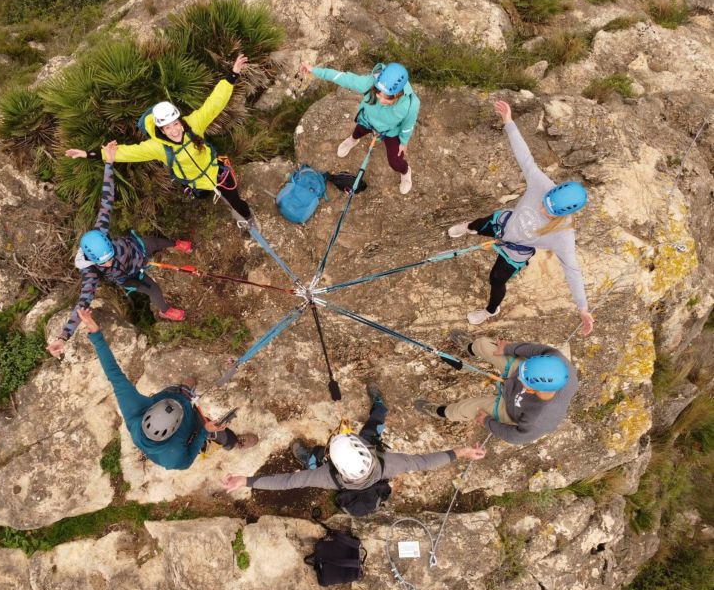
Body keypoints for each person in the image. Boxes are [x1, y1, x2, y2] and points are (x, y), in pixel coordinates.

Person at [448, 100, 594, 334]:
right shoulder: (541, 184)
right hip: (503, 223)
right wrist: (509, 122)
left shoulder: (563, 235)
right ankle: (468, 228)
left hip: (516, 250)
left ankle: (490, 311)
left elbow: (572, 271)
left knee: (496, 279)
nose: (543, 210)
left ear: (564, 214)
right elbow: (525, 158)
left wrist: (583, 308)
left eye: (550, 213)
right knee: (477, 225)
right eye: (545, 204)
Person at [65, 54, 258, 230]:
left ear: (180, 121)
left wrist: (232, 75)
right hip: (195, 181)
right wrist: (88, 153)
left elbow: (214, 103)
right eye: (167, 127)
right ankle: (206, 194)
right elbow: (127, 152)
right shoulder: (158, 147)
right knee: (202, 195)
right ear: (161, 129)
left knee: (235, 200)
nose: (174, 130)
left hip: (216, 173)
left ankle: (247, 218)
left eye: (175, 124)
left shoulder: (194, 124)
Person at [221, 383, 484, 513]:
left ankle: (309, 458)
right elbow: (425, 462)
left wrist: (247, 480)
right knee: (375, 423)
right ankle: (379, 406)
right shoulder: (389, 464)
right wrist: (462, 452)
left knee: (313, 460)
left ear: (335, 466)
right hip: (368, 461)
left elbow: (288, 482)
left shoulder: (325, 476)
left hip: (332, 467)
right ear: (366, 452)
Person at [46, 142, 189, 359]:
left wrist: (109, 163)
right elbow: (82, 303)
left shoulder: (100, 231)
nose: (109, 263)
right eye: (104, 262)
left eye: (110, 256)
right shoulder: (91, 272)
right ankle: (164, 311)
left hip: (137, 248)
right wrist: (62, 337)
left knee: (159, 242)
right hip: (130, 276)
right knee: (154, 290)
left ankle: (176, 243)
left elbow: (107, 199)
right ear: (93, 261)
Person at [77, 307, 258, 470]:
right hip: (191, 429)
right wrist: (204, 431)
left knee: (187, 385)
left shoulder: (133, 409)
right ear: (175, 428)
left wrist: (95, 332)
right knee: (222, 435)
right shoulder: (176, 457)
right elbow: (188, 459)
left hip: (174, 399)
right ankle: (233, 444)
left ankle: (185, 391)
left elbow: (114, 374)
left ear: (149, 410)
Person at [415, 332, 578, 445]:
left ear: (532, 390)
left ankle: (438, 411)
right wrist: (509, 348)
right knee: (484, 345)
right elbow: (540, 350)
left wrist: (487, 421)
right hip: (520, 380)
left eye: (523, 380)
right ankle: (471, 348)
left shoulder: (539, 421)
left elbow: (515, 437)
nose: (519, 378)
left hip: (510, 407)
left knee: (462, 410)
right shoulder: (557, 363)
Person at [299, 61, 421, 195]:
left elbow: (407, 125)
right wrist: (314, 70)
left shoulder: (410, 104)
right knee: (357, 132)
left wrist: (403, 142)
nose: (381, 100)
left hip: (390, 131)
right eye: (379, 93)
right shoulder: (371, 83)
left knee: (395, 162)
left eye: (387, 99)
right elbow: (344, 78)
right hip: (367, 120)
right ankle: (353, 140)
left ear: (398, 95)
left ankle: (405, 171)